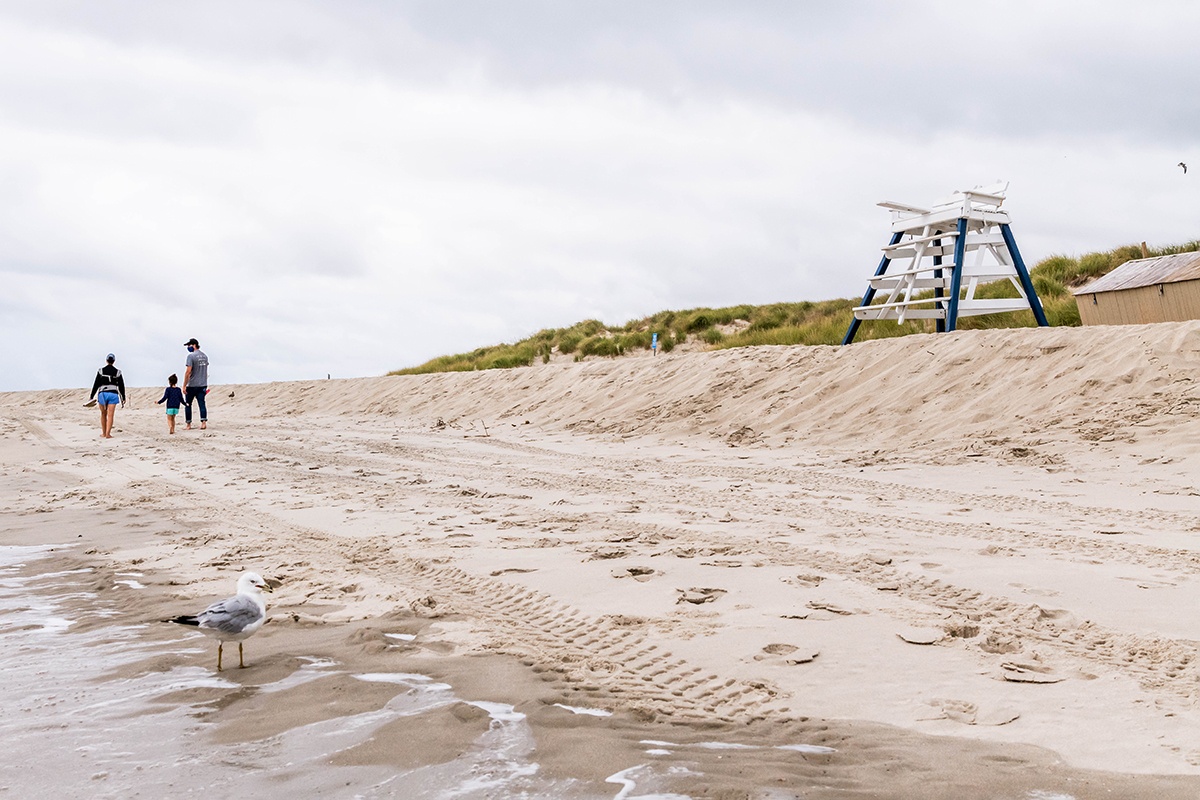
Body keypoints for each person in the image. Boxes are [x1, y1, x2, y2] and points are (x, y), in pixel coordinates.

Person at [89, 353, 126, 439]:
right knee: (110, 415)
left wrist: (91, 396)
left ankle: (103, 433)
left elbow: (96, 384)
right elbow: (121, 385)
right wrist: (123, 397)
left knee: (103, 414)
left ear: (106, 360)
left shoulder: (101, 371)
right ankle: (108, 434)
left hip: (102, 394)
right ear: (114, 361)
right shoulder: (118, 372)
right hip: (113, 394)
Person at [181, 337, 210, 430]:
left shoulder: (191, 356)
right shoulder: (205, 356)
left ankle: (188, 424)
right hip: (202, 383)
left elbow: (188, 371)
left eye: (189, 345)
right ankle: (203, 422)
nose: (188, 347)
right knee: (202, 403)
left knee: (188, 404)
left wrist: (184, 385)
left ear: (194, 345)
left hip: (192, 384)